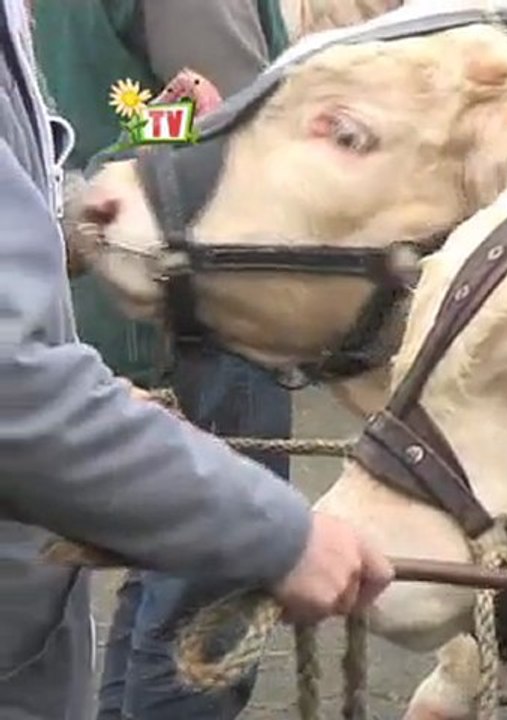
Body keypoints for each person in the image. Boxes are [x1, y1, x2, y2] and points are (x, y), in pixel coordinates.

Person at [0, 3, 395, 719]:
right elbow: (232, 117)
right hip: (207, 295)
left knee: (150, 550)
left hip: (91, 293)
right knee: (201, 582)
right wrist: (277, 534)